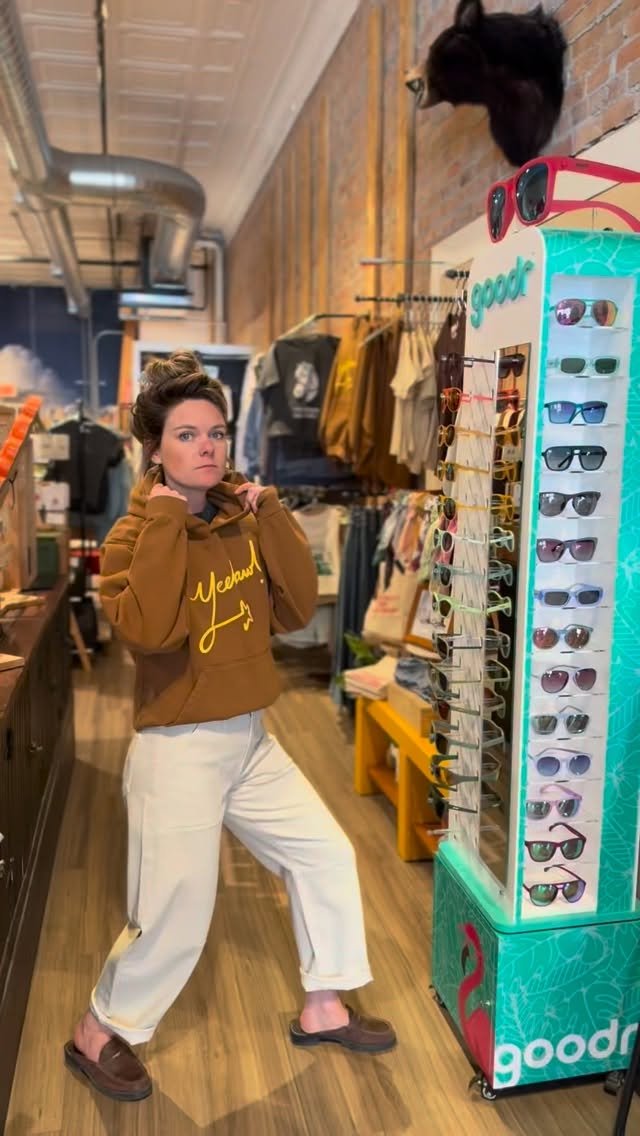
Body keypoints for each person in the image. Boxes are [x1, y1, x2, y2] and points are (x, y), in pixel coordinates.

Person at [64, 351, 396, 1102]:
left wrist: (269, 513)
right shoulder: (132, 537)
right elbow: (150, 630)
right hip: (178, 747)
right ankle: (97, 1031)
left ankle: (324, 1005)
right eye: (187, 435)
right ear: (155, 450)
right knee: (175, 914)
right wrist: (164, 520)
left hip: (249, 737)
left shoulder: (239, 521)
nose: (208, 447)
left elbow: (295, 608)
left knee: (323, 855)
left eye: (215, 432)